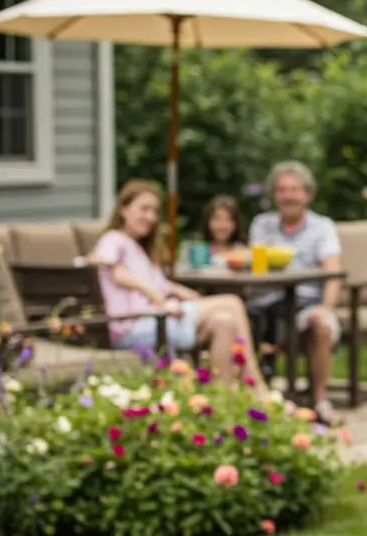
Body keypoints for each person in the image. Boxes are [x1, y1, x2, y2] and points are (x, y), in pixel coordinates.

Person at [89, 179, 266, 390]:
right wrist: (152, 293)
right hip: (133, 326)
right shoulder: (114, 239)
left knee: (225, 320)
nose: (150, 217)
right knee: (232, 302)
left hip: (154, 320)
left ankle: (224, 395)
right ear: (123, 209)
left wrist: (200, 301)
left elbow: (166, 286)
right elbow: (108, 267)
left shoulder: (137, 248)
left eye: (154, 211)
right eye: (143, 209)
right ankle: (258, 386)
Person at [246, 161, 343, 424]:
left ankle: (320, 400)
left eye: (294, 189)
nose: (288, 196)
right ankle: (252, 395)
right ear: (275, 195)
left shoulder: (322, 227)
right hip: (266, 304)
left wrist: (326, 307)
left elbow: (333, 273)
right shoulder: (262, 224)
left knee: (322, 323)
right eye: (281, 190)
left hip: (305, 305)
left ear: (307, 194)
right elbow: (254, 267)